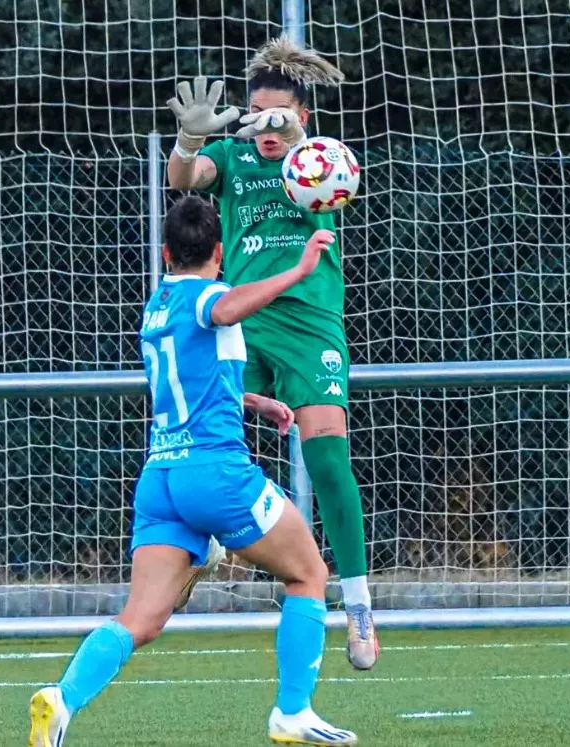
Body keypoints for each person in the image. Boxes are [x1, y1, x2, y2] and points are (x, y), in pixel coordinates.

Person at [28, 196, 356, 746]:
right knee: (309, 575)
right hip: (215, 473)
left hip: (161, 478)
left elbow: (191, 376)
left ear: (164, 252)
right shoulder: (210, 295)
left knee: (142, 619)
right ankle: (292, 713)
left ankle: (62, 700)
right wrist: (298, 269)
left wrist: (254, 402)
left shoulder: (157, 303)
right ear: (220, 252)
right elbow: (223, 310)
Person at [164, 36, 378, 669]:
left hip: (310, 322)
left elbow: (336, 179)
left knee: (327, 455)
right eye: (255, 116)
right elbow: (185, 181)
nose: (265, 129)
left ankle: (360, 605)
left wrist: (301, 154)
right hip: (242, 320)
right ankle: (199, 547)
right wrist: (190, 141)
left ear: (303, 119)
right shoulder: (231, 156)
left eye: (278, 118)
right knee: (204, 443)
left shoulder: (321, 161)